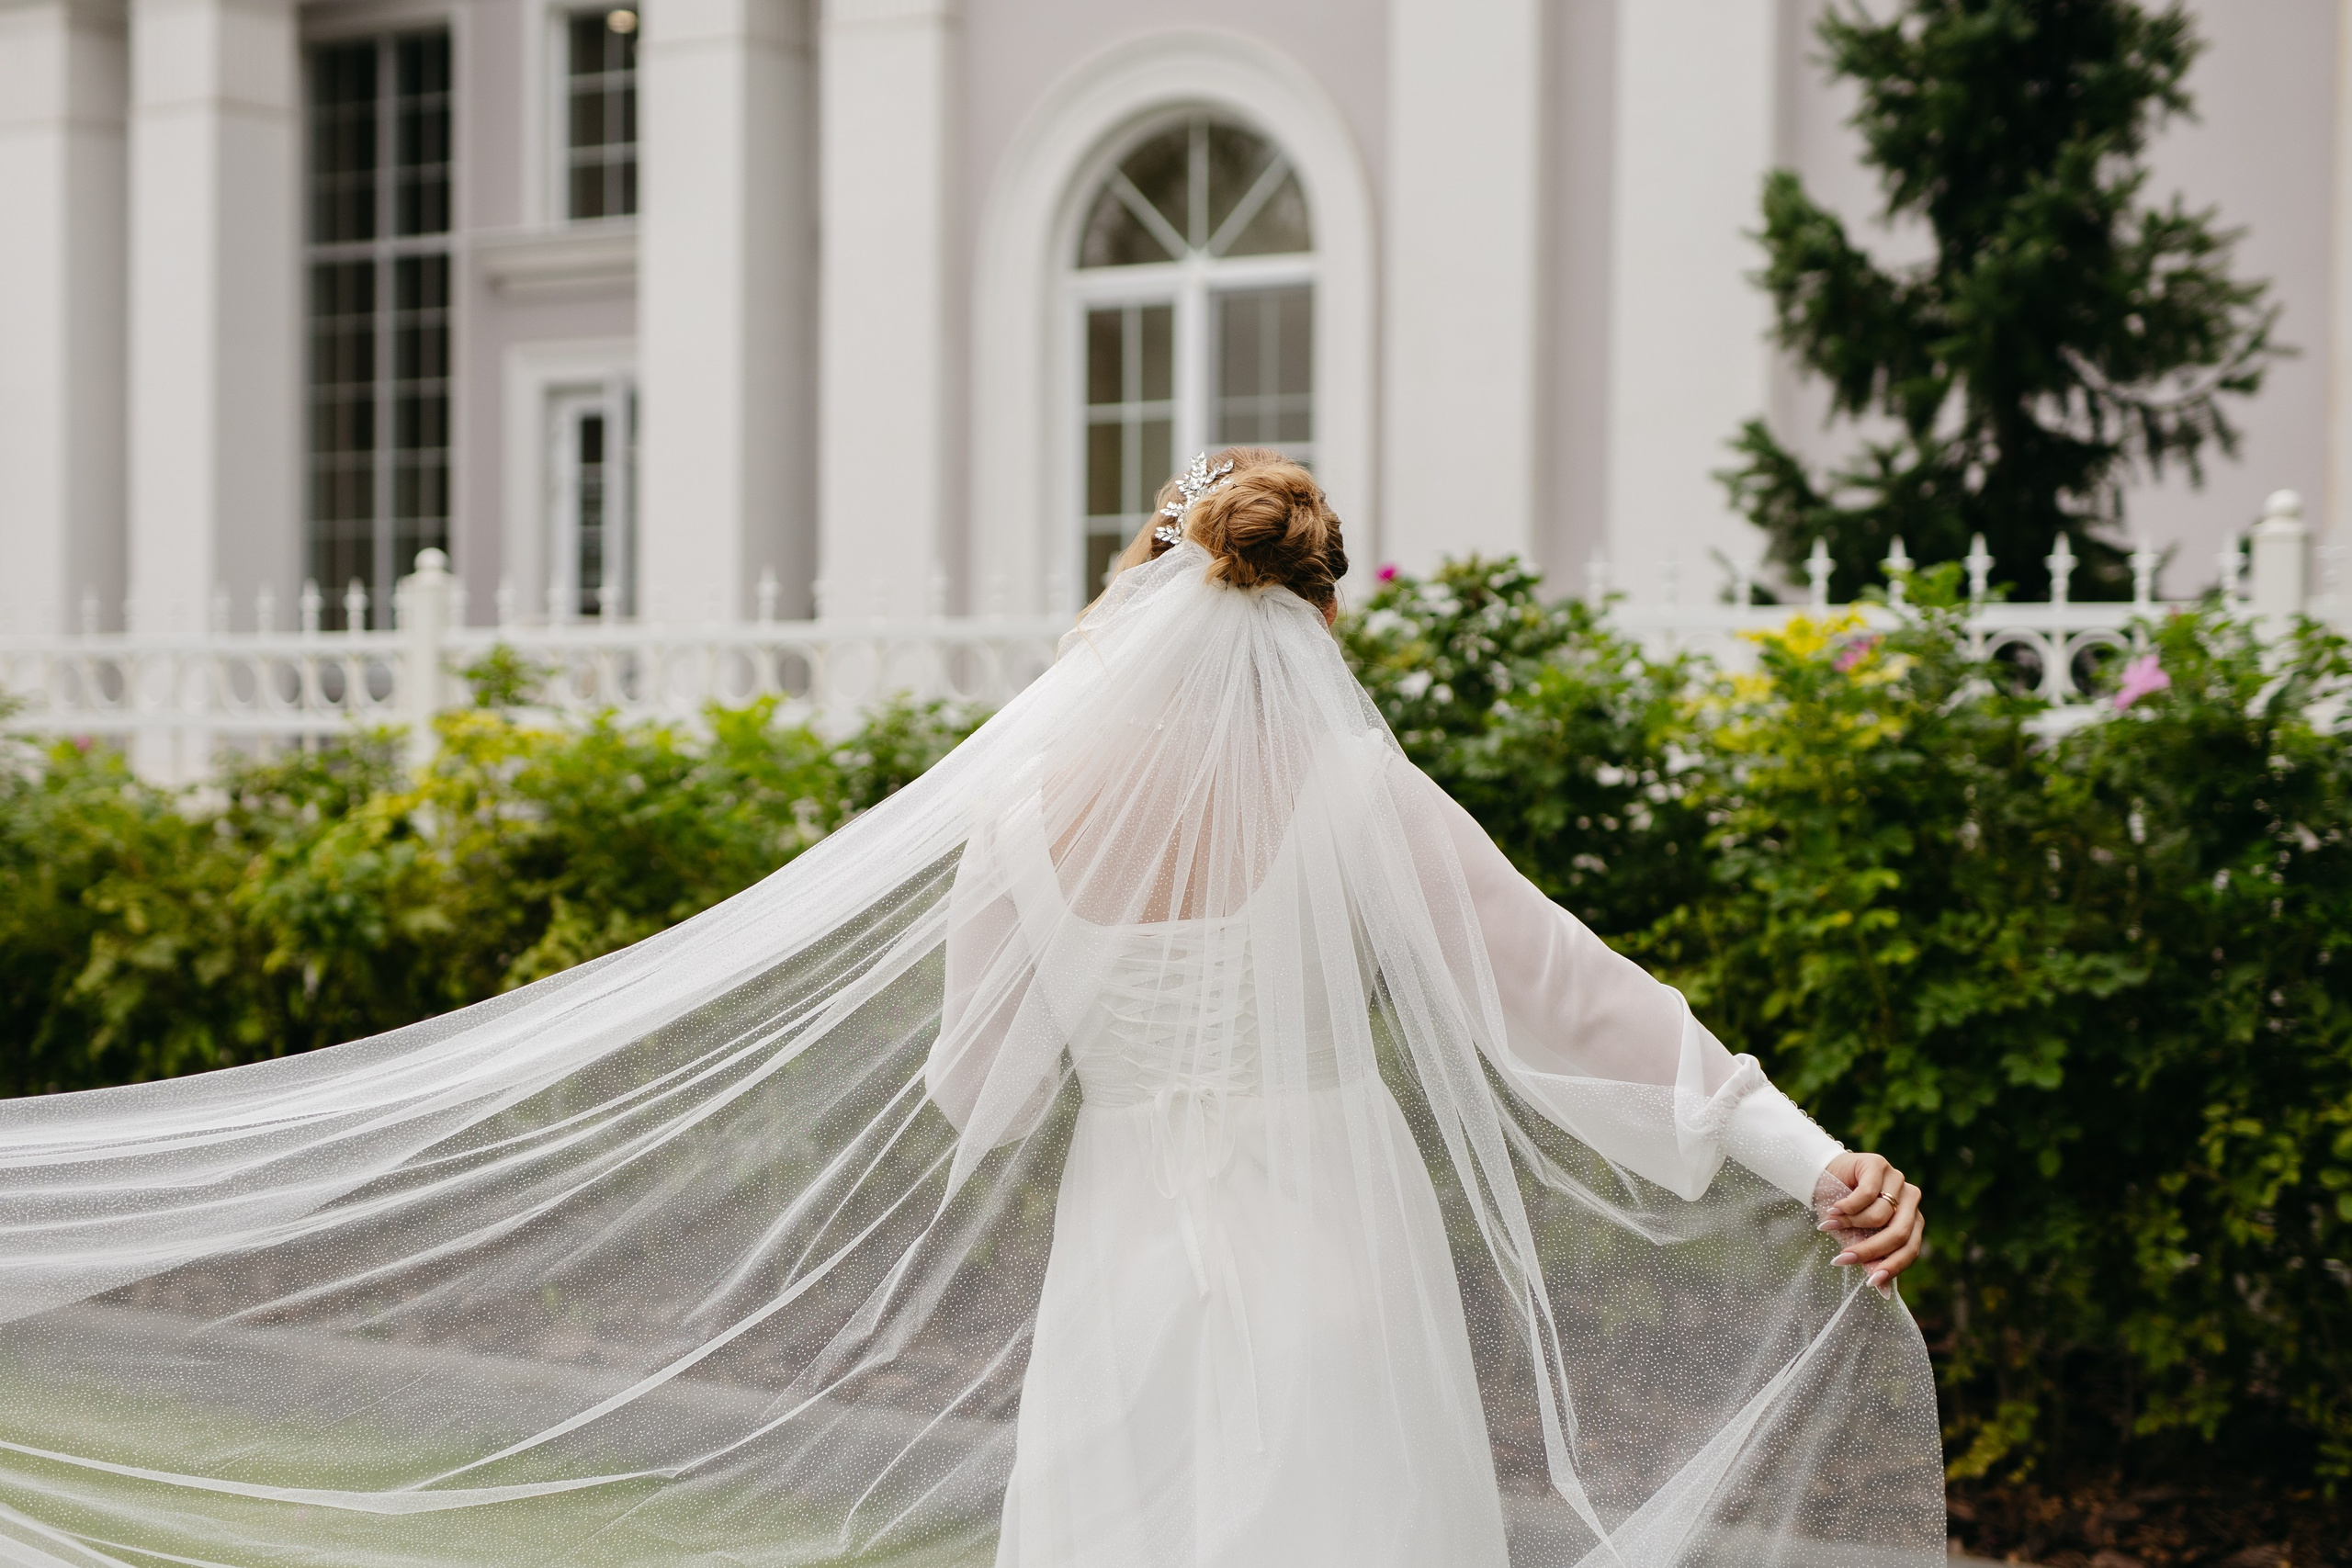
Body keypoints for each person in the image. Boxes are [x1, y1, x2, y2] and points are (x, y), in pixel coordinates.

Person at [0, 448, 1939, 1568]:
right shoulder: (1354, 791)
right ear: (1322, 617)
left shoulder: (1019, 811)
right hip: (1333, 1243)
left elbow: (983, 1098)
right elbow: (1572, 1003)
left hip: (1126, 1250)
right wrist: (1802, 1150)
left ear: (1139, 588)